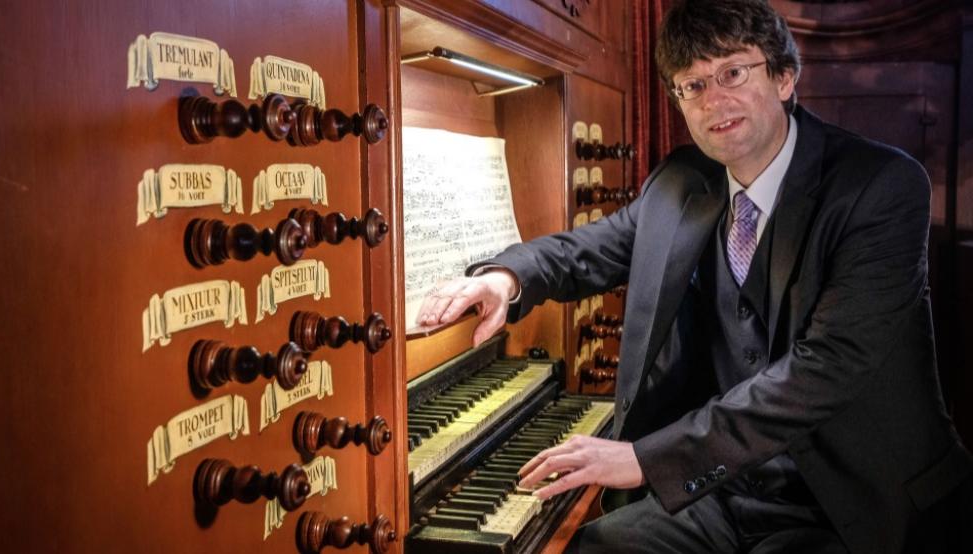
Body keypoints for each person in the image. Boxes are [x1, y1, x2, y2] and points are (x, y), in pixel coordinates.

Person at [415, 0, 973, 552]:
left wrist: (644, 458)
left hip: (852, 501)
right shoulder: (682, 182)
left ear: (784, 76)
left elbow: (827, 368)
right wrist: (505, 279)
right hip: (727, 489)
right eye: (693, 85)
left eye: (732, 72)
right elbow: (591, 248)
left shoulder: (879, 186)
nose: (714, 101)